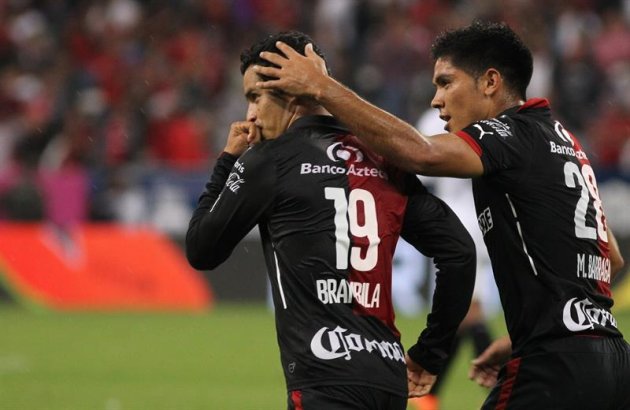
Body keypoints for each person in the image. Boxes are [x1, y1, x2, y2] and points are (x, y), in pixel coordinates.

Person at [253, 21, 630, 409]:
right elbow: (611, 259)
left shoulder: (509, 135)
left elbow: (421, 153)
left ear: (490, 82)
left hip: (555, 369)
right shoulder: (561, 140)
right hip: (612, 362)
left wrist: (322, 88)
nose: (436, 100)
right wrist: (527, 335)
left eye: (446, 83)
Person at [185, 31, 477, 410]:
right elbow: (459, 252)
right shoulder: (382, 159)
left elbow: (201, 250)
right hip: (387, 382)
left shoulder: (270, 161)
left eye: (256, 97)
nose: (251, 114)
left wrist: (228, 161)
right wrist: (430, 352)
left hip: (323, 380)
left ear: (289, 91)